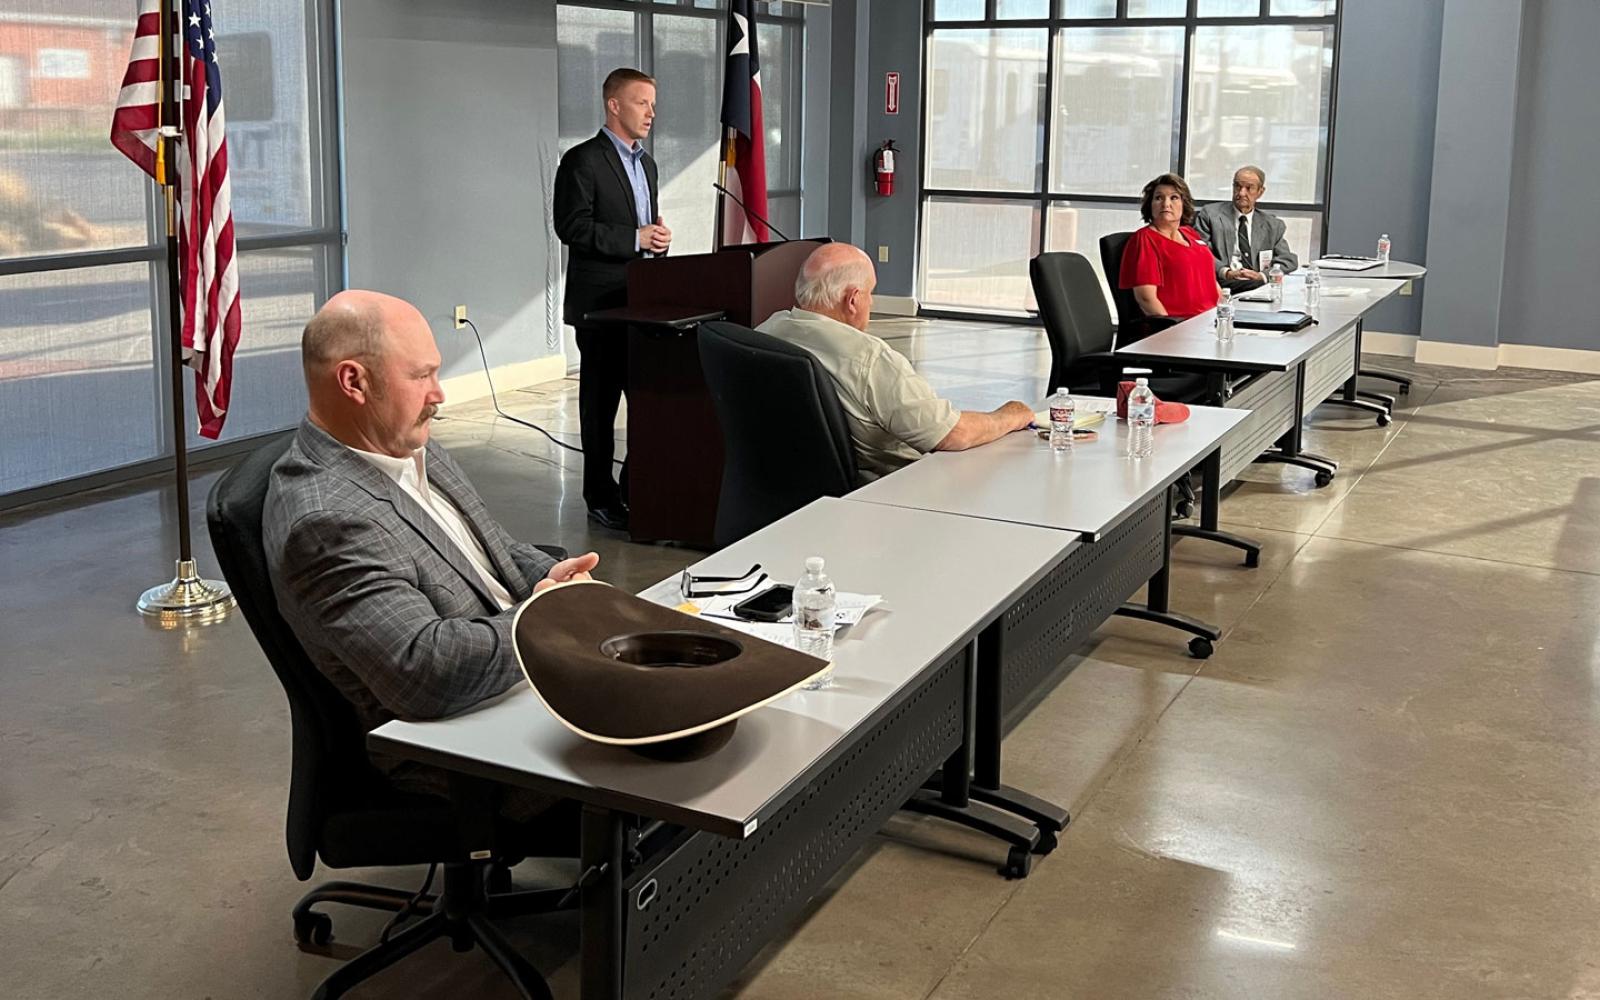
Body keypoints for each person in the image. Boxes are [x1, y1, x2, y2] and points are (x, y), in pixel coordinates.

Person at [264, 290, 599, 817]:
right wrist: (548, 621)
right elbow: (425, 671)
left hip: (509, 679)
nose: (438, 394)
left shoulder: (404, 442)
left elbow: (495, 553)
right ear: (354, 382)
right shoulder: (326, 519)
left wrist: (560, 581)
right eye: (420, 375)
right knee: (680, 754)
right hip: (456, 746)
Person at [758, 243, 1033, 480]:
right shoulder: (868, 358)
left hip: (787, 491)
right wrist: (1009, 416)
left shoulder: (765, 332)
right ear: (852, 299)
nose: (872, 303)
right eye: (870, 293)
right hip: (886, 492)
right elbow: (951, 435)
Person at [553, 67, 672, 532]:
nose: (651, 113)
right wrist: (634, 238)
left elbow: (643, 226)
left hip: (643, 301)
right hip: (600, 305)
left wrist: (655, 239)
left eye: (653, 105)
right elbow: (572, 228)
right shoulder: (582, 161)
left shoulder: (648, 164)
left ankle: (632, 490)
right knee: (600, 408)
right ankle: (599, 498)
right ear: (614, 105)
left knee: (647, 401)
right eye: (642, 103)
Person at [1119, 173, 1224, 321]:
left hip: (1212, 320)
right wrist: (1169, 329)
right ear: (1150, 205)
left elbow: (1211, 282)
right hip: (1180, 327)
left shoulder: (1190, 233)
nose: (1166, 204)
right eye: (1158, 198)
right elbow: (1146, 298)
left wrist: (1225, 314)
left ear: (1183, 203)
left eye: (1174, 197)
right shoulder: (1145, 240)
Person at [1194, 165, 1300, 285]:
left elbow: (1288, 260)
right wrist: (1225, 272)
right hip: (1222, 282)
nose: (1241, 193)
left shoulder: (1272, 225)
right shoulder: (1211, 215)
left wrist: (1262, 275)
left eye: (1249, 188)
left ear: (1260, 192)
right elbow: (1199, 252)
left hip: (1256, 284)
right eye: (1237, 186)